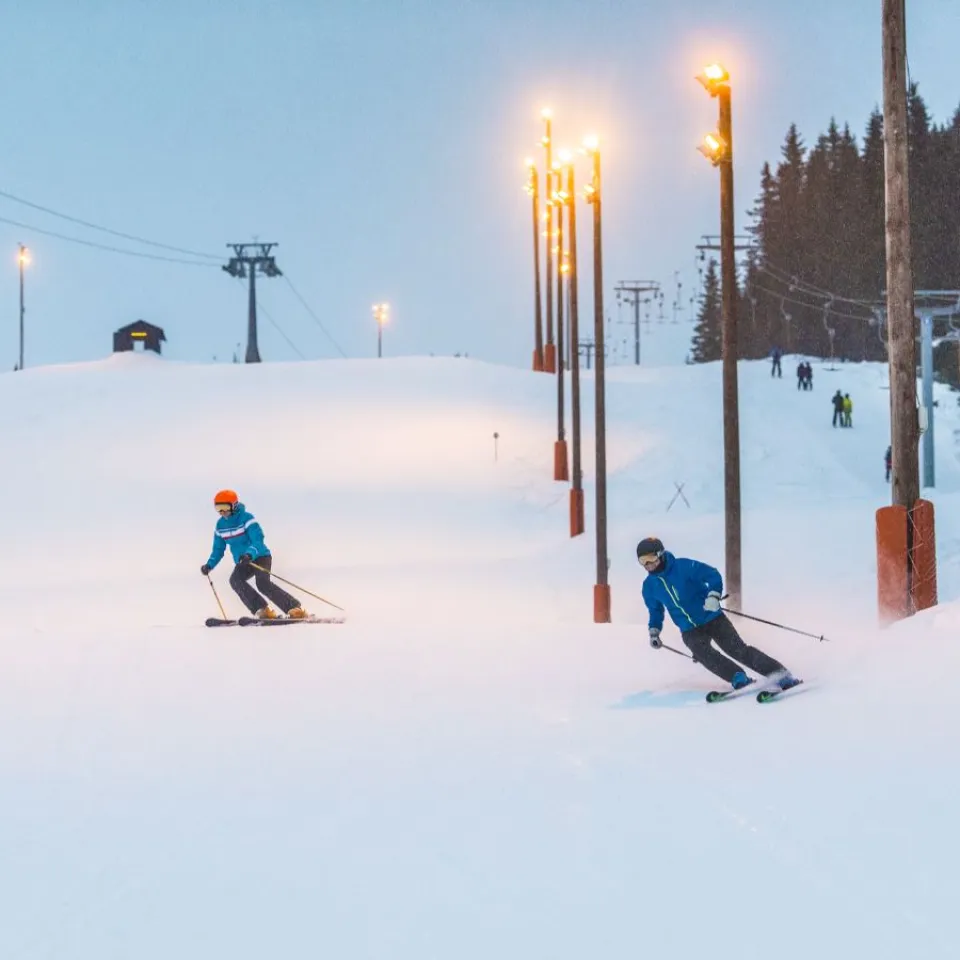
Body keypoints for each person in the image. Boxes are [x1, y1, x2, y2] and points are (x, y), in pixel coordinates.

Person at [637, 536, 800, 693]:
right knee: (705, 656)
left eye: (650, 558)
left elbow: (712, 575)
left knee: (737, 650)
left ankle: (780, 674)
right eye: (642, 561)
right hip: (689, 629)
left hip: (712, 618)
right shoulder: (649, 586)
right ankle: (737, 677)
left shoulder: (684, 566)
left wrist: (713, 596)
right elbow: (655, 611)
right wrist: (654, 631)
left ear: (660, 554)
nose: (648, 564)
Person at [200, 489, 308, 620]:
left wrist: (249, 554)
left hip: (260, 556)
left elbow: (258, 539)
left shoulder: (247, 518)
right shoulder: (220, 525)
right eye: (218, 508)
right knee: (235, 581)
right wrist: (209, 565)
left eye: (225, 507)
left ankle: (296, 608)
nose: (222, 512)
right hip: (243, 561)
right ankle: (263, 610)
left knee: (263, 584)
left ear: (234, 505)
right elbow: (218, 549)